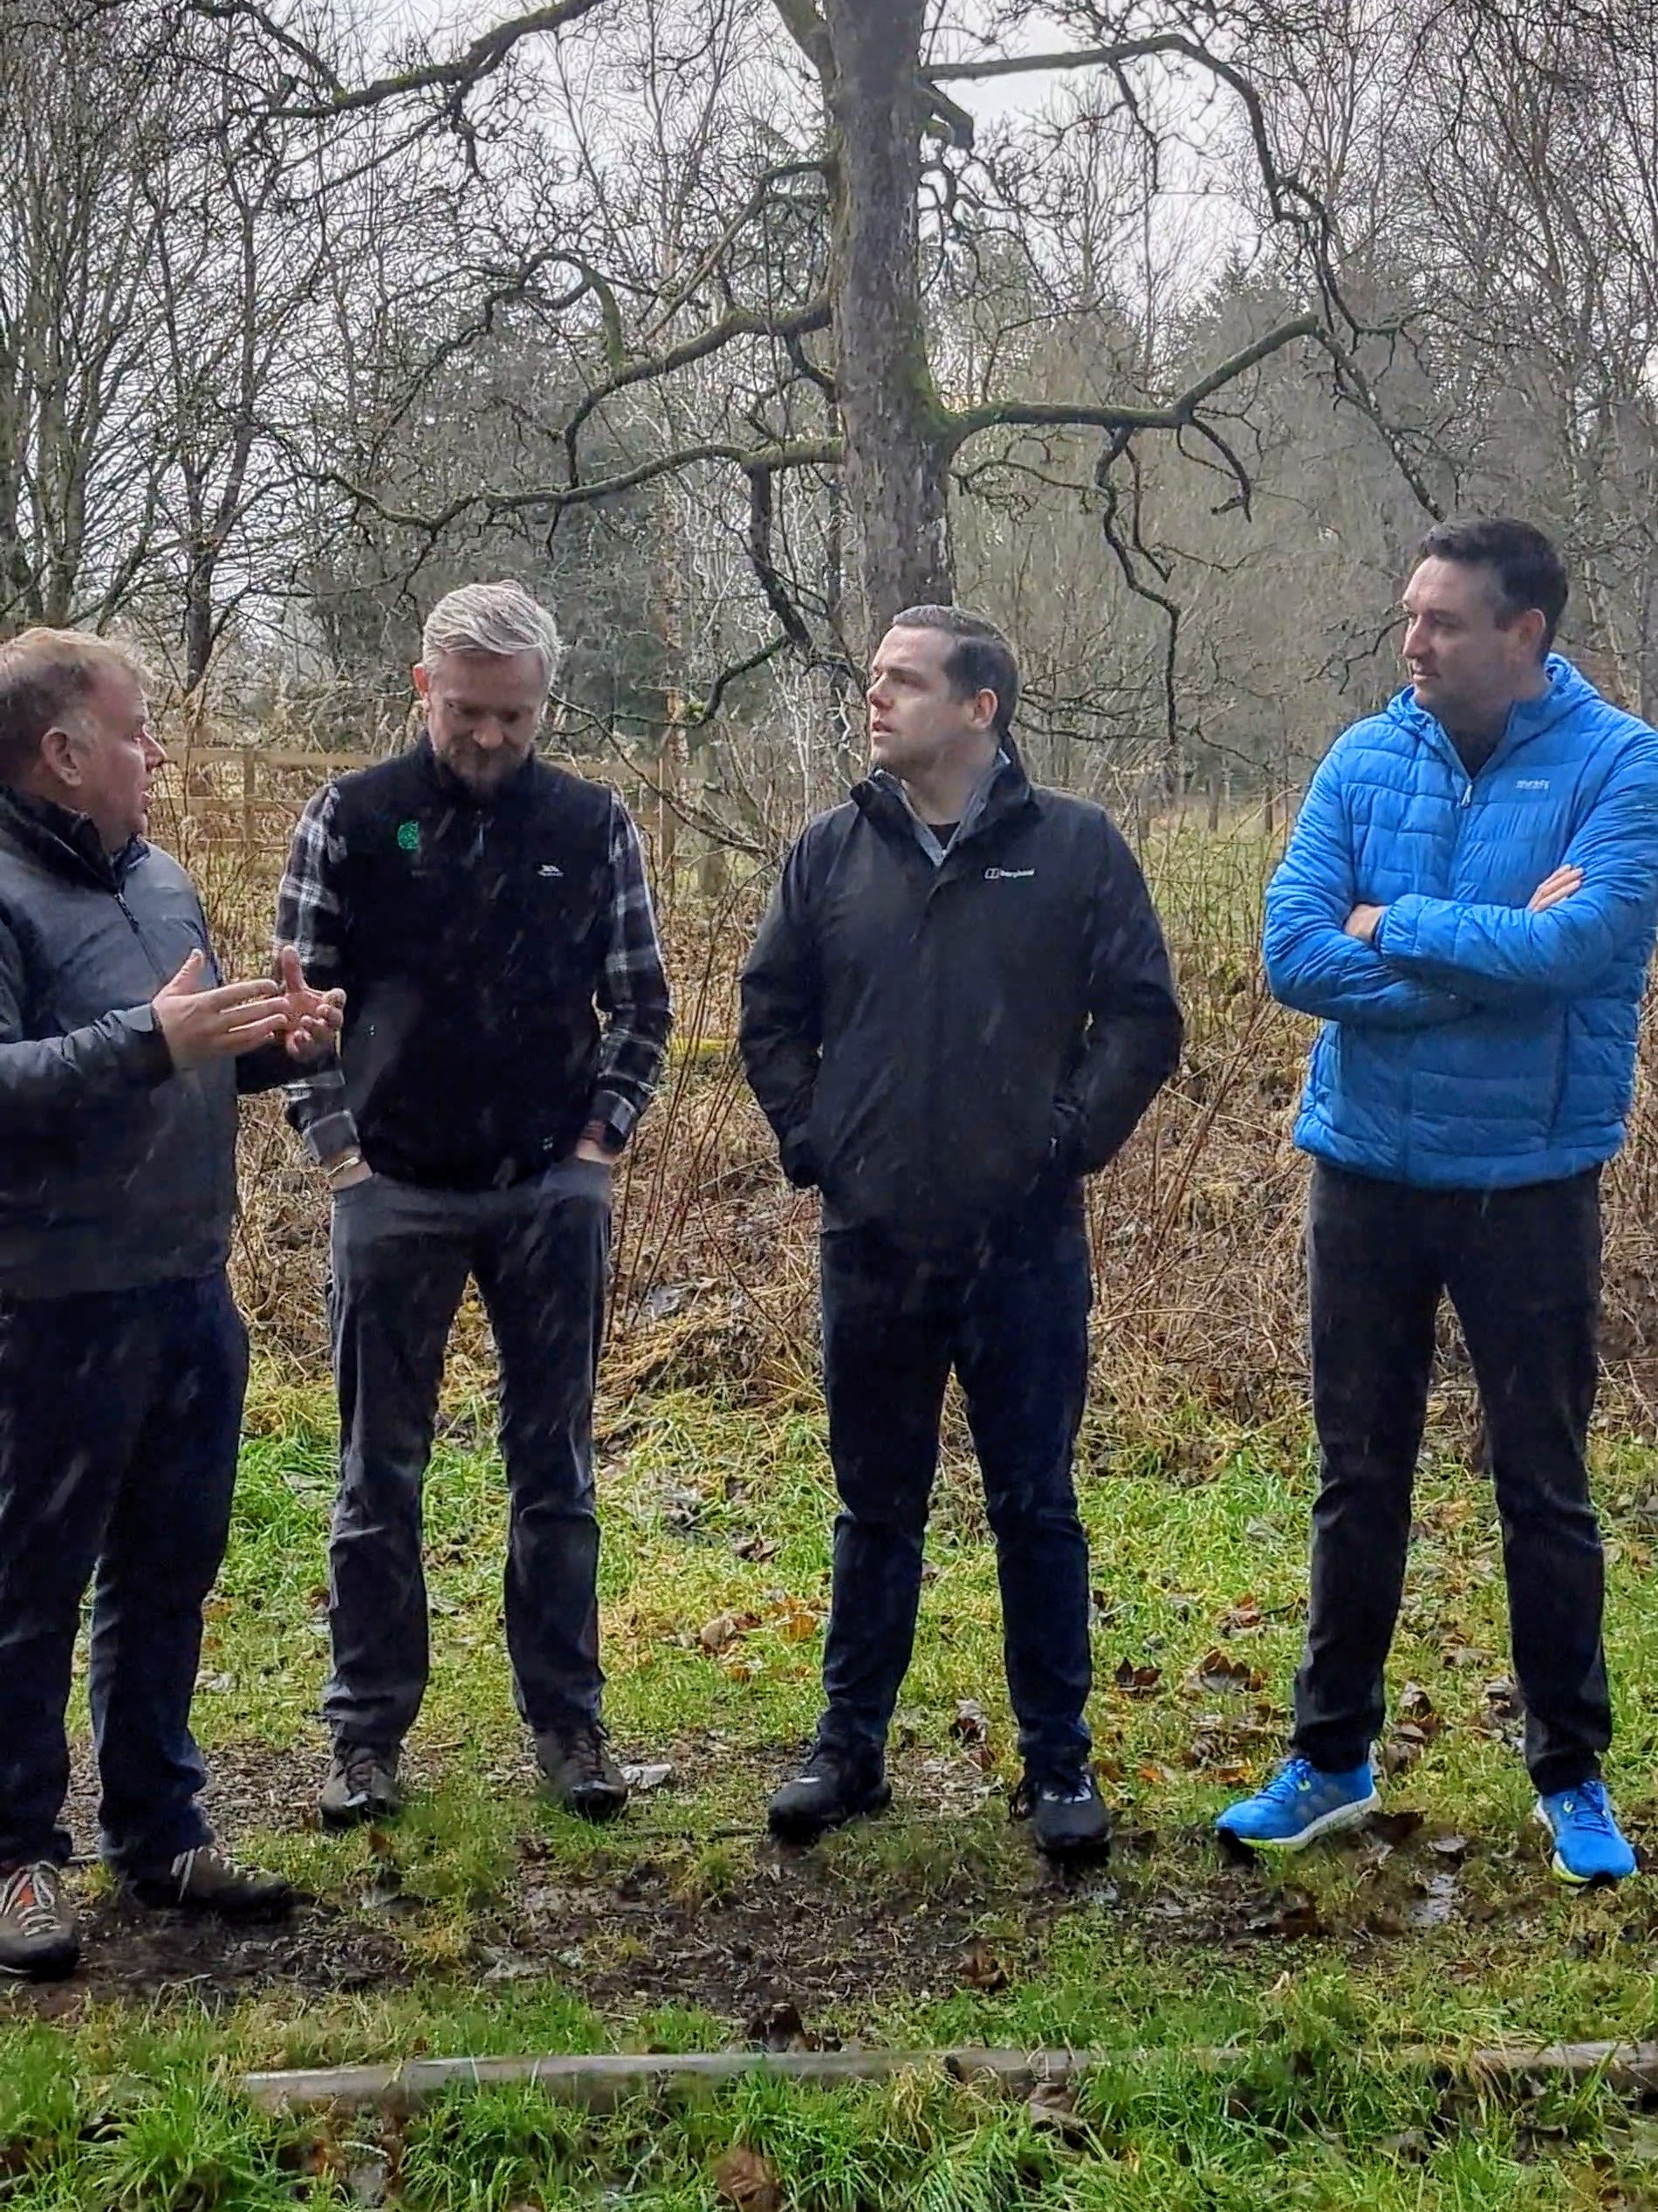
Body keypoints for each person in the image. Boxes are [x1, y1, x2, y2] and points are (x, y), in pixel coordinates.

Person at [1219, 517, 1658, 1884]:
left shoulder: (1620, 764)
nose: (1413, 643)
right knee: (1359, 1481)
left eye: (1444, 622)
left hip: (1529, 1183)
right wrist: (1493, 959)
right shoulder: (1363, 757)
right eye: (1410, 616)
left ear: (1525, 635)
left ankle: (1571, 1777)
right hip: (1366, 1172)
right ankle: (1330, 1757)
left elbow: (1592, 941)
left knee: (1546, 1486)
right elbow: (1293, 950)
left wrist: (1390, 924)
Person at [739, 605, 1182, 1857]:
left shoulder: (1077, 851)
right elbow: (769, 1012)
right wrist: (815, 1139)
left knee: (1034, 1506)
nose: (874, 699)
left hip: (1026, 1243)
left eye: (904, 681)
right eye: (874, 678)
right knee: (874, 1506)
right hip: (871, 1242)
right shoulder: (830, 854)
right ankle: (849, 1751)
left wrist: (1065, 1138)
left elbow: (1144, 1019)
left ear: (981, 707)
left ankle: (1058, 1769)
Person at [277, 580, 670, 1832]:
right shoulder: (352, 818)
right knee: (374, 1477)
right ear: (421, 688)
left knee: (552, 1472)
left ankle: (567, 1722)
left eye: (514, 714)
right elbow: (300, 1009)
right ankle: (366, 1737)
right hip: (392, 1193)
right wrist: (340, 1158)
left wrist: (599, 1146)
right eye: (468, 711)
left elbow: (645, 1004)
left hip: (547, 1194)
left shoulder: (592, 823)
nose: (490, 737)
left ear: (545, 703)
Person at [0, 628, 344, 1983]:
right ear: (64, 753)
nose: (158, 754)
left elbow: (176, 1068)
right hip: (50, 1306)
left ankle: (160, 1826)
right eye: (137, 731)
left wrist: (267, 1046)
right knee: (27, 1590)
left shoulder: (161, 879)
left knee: (168, 1575)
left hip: (188, 1290)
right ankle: (20, 1853)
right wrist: (155, 1038)